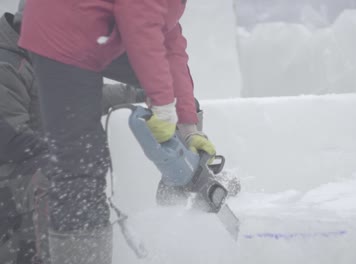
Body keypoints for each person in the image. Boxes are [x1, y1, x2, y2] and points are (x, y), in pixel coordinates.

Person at [18, 0, 217, 263]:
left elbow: (169, 43)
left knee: (175, 96)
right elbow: (140, 20)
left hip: (103, 28)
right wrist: (163, 104)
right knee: (81, 164)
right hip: (63, 29)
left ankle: (183, 178)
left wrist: (189, 128)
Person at [0, 4, 146, 263]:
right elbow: (9, 140)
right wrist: (64, 147)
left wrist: (135, 93)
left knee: (80, 167)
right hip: (12, 176)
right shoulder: (6, 64)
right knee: (67, 172)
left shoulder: (41, 55)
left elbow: (76, 98)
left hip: (33, 166)